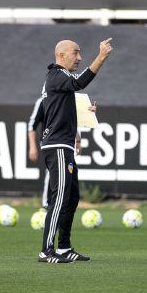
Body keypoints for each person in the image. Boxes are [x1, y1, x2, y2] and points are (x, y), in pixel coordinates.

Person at [38, 38, 113, 264]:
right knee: (59, 198)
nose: (79, 58)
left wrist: (85, 114)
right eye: (76, 53)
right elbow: (79, 84)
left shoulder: (61, 80)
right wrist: (101, 57)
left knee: (71, 198)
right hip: (57, 145)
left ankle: (64, 248)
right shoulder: (56, 75)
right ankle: (46, 250)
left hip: (65, 145)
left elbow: (66, 102)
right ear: (61, 56)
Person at [28, 96, 97, 210]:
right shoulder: (42, 101)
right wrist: (32, 147)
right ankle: (46, 205)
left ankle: (60, 207)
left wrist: (89, 112)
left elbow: (73, 119)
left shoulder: (67, 99)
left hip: (66, 143)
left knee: (67, 174)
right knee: (52, 171)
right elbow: (32, 125)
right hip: (51, 143)